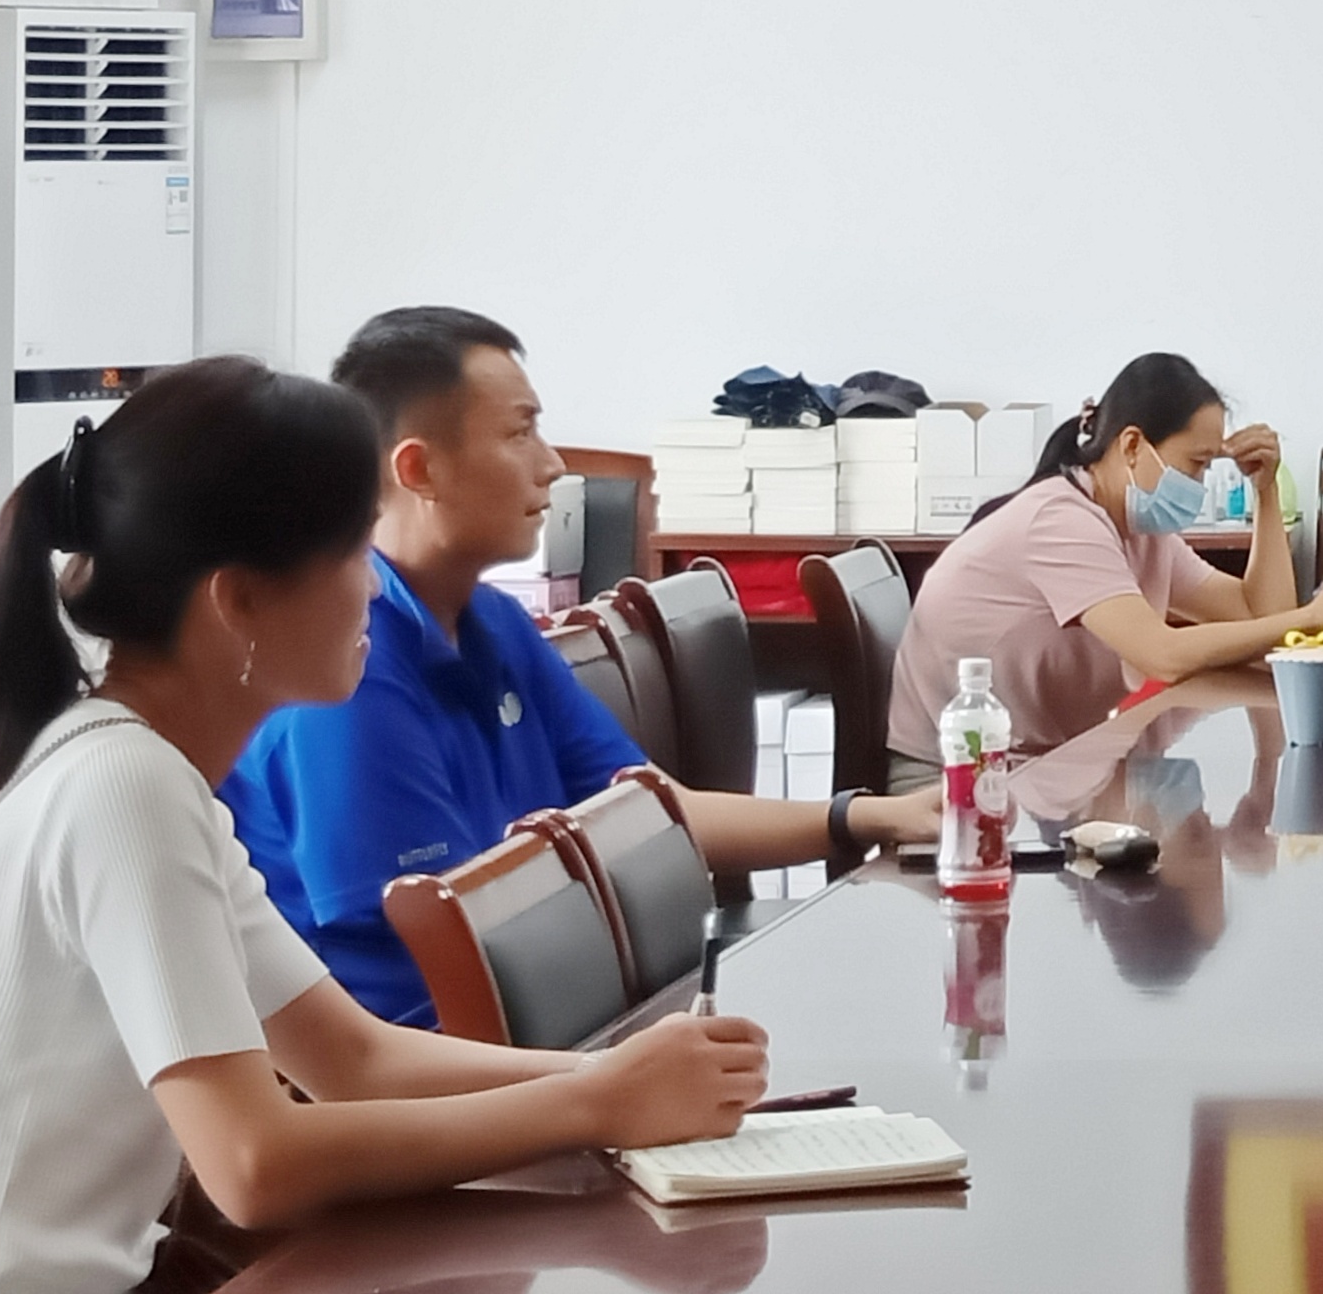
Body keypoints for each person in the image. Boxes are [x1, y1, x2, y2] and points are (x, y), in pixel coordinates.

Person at [0, 358, 768, 1294]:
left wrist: (621, 1080)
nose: (373, 587)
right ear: (237, 601)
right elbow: (252, 1167)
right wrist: (599, 1106)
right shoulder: (125, 788)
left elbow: (354, 1058)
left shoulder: (140, 772)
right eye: (352, 551)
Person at [219, 309, 937, 1027]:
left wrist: (868, 816)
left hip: (556, 1032)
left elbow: (650, 816)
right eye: (519, 433)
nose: (553, 464)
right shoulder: (347, 669)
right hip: (447, 1059)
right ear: (419, 469)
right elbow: (432, 960)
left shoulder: (493, 621)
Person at [890, 352, 1323, 757]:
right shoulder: (1062, 520)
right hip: (950, 770)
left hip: (1038, 760)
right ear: (1134, 445)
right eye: (1197, 464)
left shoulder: (1142, 531)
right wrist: (1313, 617)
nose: (1200, 484)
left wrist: (1265, 492)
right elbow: (1163, 655)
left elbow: (1260, 615)